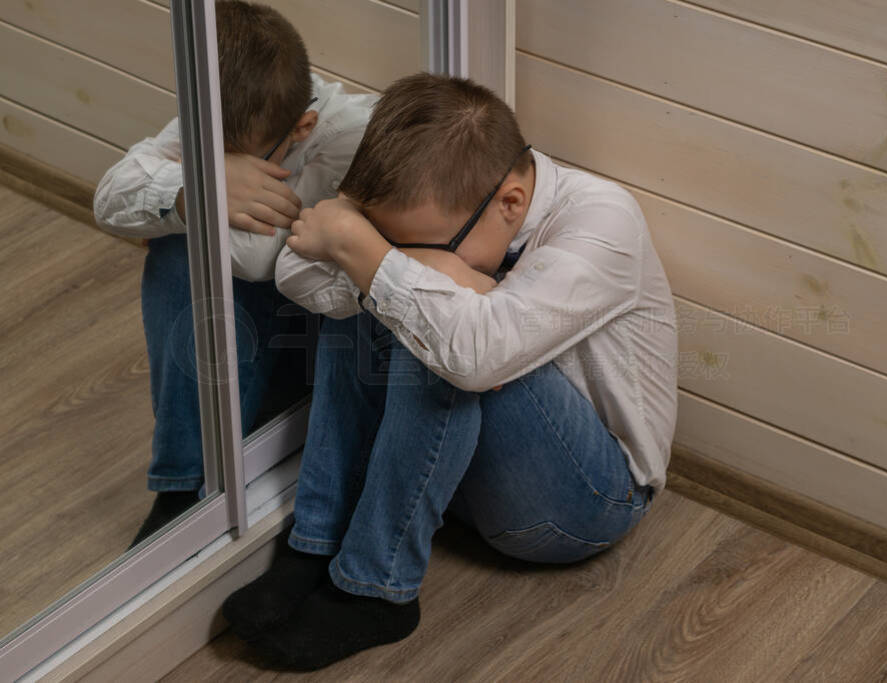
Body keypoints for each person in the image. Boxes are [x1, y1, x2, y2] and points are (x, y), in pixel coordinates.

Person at [221, 72, 678, 671]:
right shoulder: (423, 188)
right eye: (393, 239)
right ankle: (318, 541)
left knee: (435, 330)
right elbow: (299, 275)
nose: (405, 250)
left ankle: (376, 590)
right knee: (383, 300)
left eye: (431, 243)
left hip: (586, 501)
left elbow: (477, 357)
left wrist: (373, 255)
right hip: (462, 471)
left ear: (511, 204)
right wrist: (389, 259)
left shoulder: (602, 223)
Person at [92, 1, 375, 545]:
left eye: (234, 159)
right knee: (178, 250)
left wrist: (193, 196)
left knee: (185, 240)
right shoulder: (223, 116)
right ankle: (184, 484)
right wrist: (192, 188)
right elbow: (108, 197)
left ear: (302, 126)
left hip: (330, 345)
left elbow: (263, 259)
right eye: (208, 153)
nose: (220, 165)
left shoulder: (350, 138)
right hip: (250, 337)